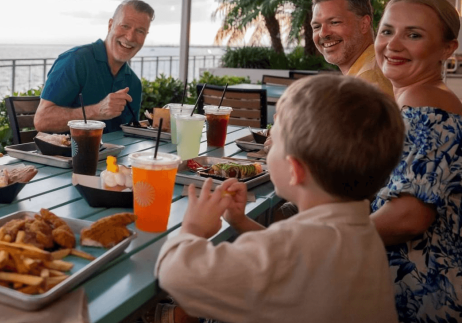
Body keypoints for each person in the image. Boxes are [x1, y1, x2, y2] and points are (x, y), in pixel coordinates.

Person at [156, 75, 403, 323]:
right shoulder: (363, 233)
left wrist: (194, 228)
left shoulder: (288, 250)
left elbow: (175, 274)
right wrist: (241, 222)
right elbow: (290, 256)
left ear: (294, 170)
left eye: (273, 143)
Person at [369, 0, 462, 322]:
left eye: (413, 34)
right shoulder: (421, 98)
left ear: (447, 48)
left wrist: (320, 239)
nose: (393, 45)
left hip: (422, 299)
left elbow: (409, 217)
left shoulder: (425, 103)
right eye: (387, 31)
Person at [34, 0, 154, 134]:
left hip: (111, 149)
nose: (130, 37)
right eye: (125, 26)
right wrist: (97, 111)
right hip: (65, 148)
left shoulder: (134, 83)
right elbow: (42, 121)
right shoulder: (76, 60)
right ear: (110, 25)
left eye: (140, 31)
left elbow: (129, 135)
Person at [311, 0, 393, 96]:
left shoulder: (367, 83)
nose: (323, 33)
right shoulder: (376, 68)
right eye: (316, 26)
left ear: (364, 24)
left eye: (334, 22)